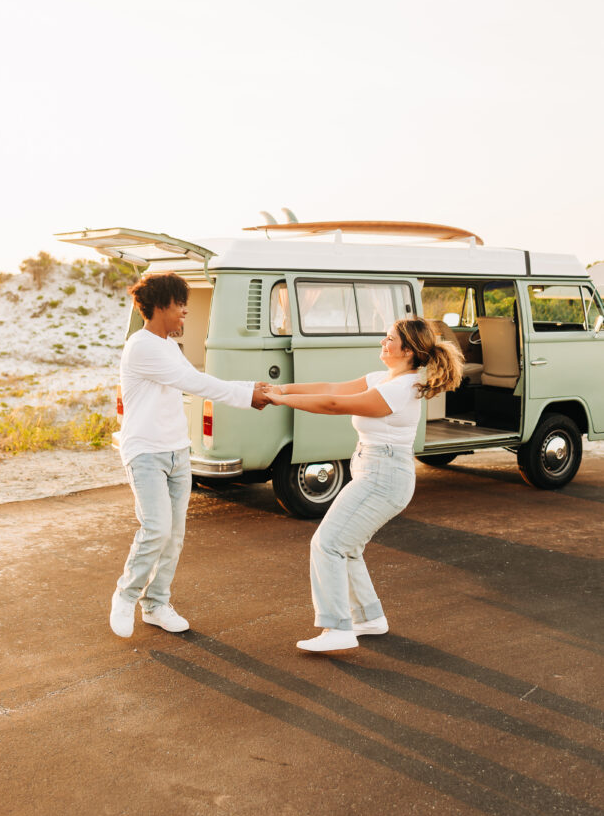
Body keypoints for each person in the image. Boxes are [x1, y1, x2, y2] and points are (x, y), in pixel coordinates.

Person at [263, 317, 463, 653]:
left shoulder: (402, 388)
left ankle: (338, 628)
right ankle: (368, 618)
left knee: (327, 544)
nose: (383, 342)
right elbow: (331, 389)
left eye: (389, 339)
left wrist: (281, 401)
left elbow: (334, 405)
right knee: (347, 546)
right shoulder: (384, 378)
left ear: (409, 350)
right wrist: (281, 389)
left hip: (385, 478)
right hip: (375, 472)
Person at [110, 272, 268, 638]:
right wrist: (247, 396)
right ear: (162, 305)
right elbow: (195, 384)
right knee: (156, 528)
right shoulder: (143, 346)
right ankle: (126, 595)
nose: (185, 313)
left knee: (174, 534)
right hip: (146, 452)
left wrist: (249, 387)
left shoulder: (168, 347)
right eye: (181, 305)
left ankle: (156, 604)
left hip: (177, 451)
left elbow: (196, 377)